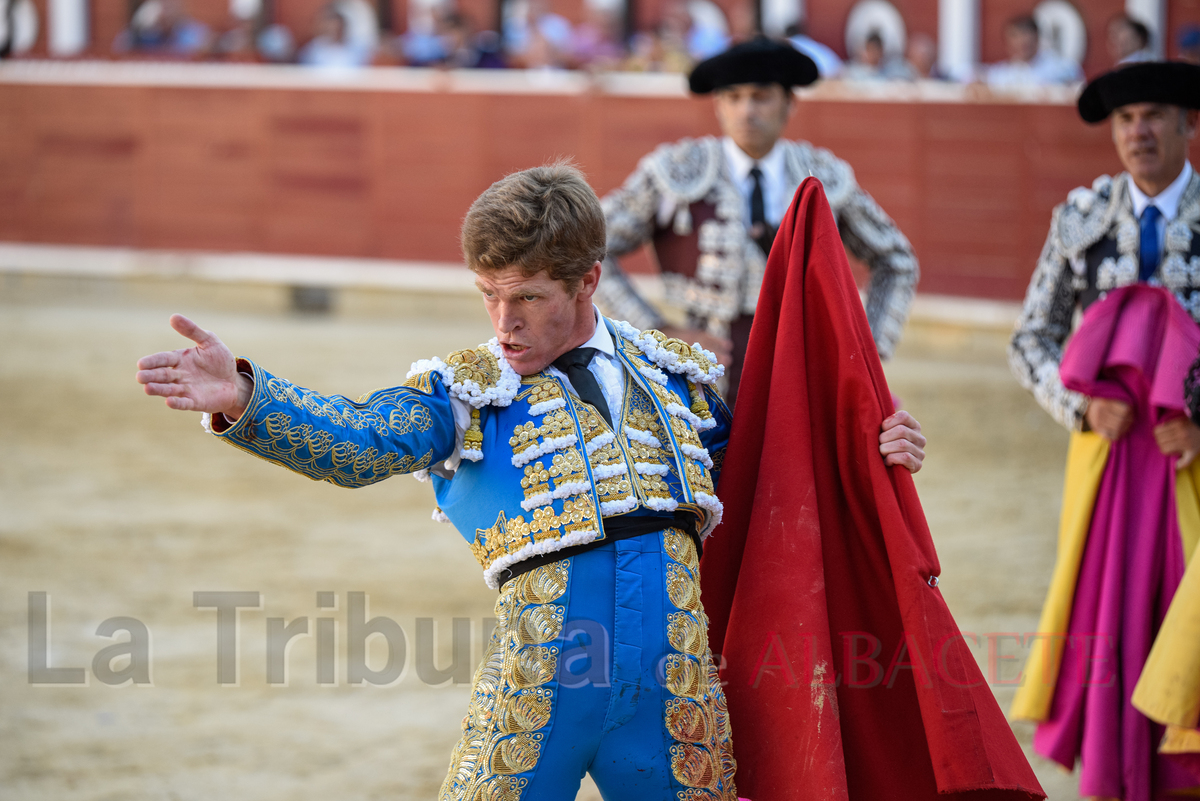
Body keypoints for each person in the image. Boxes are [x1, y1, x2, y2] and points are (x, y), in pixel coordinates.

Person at [135, 163, 926, 799]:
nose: (502, 323)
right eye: (489, 296)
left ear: (588, 283)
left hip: (673, 689)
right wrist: (246, 397)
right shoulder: (464, 389)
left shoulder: (677, 380)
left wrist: (875, 448)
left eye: (527, 298)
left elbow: (779, 481)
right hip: (539, 688)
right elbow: (361, 439)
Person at [1008, 61, 1200, 801]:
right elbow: (1030, 340)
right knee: (1115, 622)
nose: (1138, 131)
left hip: (1192, 462)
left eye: (1154, 115)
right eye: (1125, 119)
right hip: (1111, 461)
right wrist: (1082, 408)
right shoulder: (1081, 219)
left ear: (1190, 125)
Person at [596, 37, 919, 405]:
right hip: (700, 381)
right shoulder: (677, 169)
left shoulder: (823, 176)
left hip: (804, 381)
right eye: (733, 97)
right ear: (718, 106)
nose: (747, 111)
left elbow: (896, 260)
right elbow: (590, 249)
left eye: (761, 96)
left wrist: (861, 352)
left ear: (789, 103)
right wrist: (656, 330)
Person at [984, 15, 1082, 88]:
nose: (1021, 41)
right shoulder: (1000, 74)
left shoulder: (1061, 68)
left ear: (1036, 37)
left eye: (1025, 34)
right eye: (1015, 36)